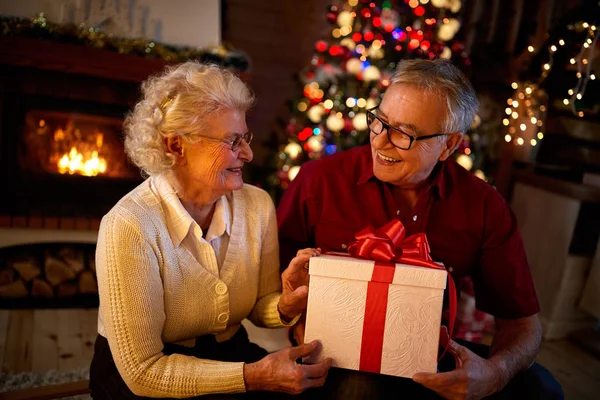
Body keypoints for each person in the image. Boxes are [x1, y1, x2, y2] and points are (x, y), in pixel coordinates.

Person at [277, 59, 563, 399]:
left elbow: (522, 322)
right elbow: (271, 289)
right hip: (336, 359)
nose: (381, 142)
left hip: (429, 359)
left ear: (449, 145)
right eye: (380, 122)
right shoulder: (318, 181)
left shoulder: (483, 205)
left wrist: (494, 373)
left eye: (405, 134)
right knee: (362, 388)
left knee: (543, 389)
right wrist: (294, 318)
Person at [89, 61, 331, 399]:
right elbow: (143, 371)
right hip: (145, 380)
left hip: (228, 355)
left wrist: (285, 306)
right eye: (232, 141)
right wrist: (255, 377)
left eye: (245, 137)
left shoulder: (257, 205)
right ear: (176, 146)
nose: (247, 153)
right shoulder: (130, 225)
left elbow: (259, 306)